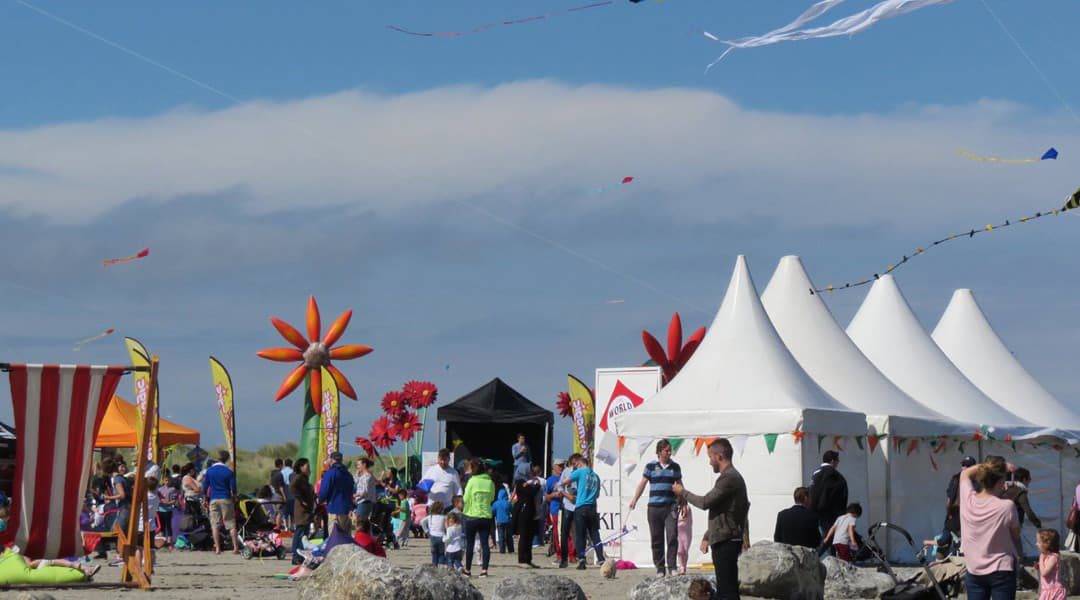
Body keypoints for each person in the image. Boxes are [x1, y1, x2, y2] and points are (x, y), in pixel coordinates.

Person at [673, 438, 750, 600]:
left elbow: (705, 502)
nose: (710, 462)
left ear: (719, 456)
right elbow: (723, 512)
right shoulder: (731, 477)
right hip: (725, 538)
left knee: (727, 592)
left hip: (726, 541)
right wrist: (708, 536)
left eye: (710, 457)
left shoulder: (729, 478)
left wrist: (683, 492)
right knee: (726, 589)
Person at [959, 456, 1019, 600]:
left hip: (974, 569)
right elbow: (1016, 534)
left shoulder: (968, 500)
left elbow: (965, 473)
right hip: (1001, 568)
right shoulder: (1007, 506)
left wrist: (991, 466)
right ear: (1000, 482)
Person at [628, 439, 683, 576]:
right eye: (666, 450)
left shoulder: (675, 467)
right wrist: (635, 499)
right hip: (654, 508)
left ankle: (672, 567)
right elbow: (643, 483)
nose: (669, 453)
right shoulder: (651, 466)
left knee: (672, 536)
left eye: (670, 450)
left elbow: (680, 485)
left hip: (670, 507)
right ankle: (660, 567)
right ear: (659, 452)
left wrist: (684, 503)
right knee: (656, 538)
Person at [565, 454, 604, 570]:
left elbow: (567, 480)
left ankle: (582, 560)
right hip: (592, 507)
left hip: (581, 506)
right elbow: (597, 495)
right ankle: (601, 559)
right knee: (595, 534)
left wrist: (560, 484)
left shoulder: (580, 472)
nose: (575, 467)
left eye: (576, 465)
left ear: (580, 464)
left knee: (580, 535)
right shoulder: (596, 476)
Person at [462, 457, 496, 577]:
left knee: (470, 544)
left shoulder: (472, 481)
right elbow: (492, 498)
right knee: (485, 544)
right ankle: (484, 570)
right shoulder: (490, 481)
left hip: (472, 515)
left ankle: (468, 570)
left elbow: (465, 498)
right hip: (486, 515)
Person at [202, 451, 241, 554]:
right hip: (225, 498)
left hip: (213, 498)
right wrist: (235, 497)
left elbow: (205, 486)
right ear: (226, 459)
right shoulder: (229, 471)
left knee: (215, 524)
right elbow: (233, 487)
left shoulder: (209, 471)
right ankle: (235, 547)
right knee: (230, 523)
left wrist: (205, 498)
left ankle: (218, 548)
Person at [809, 450, 848, 542]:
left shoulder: (816, 473)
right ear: (832, 461)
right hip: (830, 513)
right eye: (837, 460)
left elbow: (811, 491)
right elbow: (841, 496)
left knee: (820, 537)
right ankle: (817, 554)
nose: (838, 463)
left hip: (814, 511)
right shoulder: (836, 475)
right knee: (830, 538)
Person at [318, 451, 356, 535]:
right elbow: (352, 490)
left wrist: (320, 499)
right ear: (341, 460)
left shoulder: (330, 473)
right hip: (347, 510)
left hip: (334, 509)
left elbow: (324, 490)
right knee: (346, 538)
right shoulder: (348, 474)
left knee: (335, 538)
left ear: (331, 460)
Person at [556, 452, 582, 568]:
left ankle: (580, 557)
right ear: (572, 462)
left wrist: (578, 497)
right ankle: (563, 558)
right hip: (567, 505)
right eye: (576, 462)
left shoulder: (583, 472)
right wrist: (567, 496)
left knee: (579, 533)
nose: (578, 464)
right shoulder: (566, 472)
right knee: (564, 533)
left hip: (579, 505)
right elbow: (560, 486)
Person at [289, 458, 315, 565]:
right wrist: (301, 500)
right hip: (301, 510)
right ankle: (295, 556)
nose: (309, 468)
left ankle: (300, 555)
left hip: (306, 509)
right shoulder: (299, 477)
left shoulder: (304, 478)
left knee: (304, 533)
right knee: (299, 533)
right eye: (306, 466)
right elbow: (292, 487)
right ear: (301, 467)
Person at [945, 456, 977, 540]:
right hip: (955, 512)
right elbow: (949, 497)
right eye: (963, 464)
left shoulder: (978, 480)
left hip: (970, 514)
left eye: (967, 465)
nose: (964, 467)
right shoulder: (955, 478)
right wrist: (949, 512)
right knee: (945, 538)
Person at [512, 477, 541, 568]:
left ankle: (528, 559)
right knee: (524, 536)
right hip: (523, 513)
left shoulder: (529, 483)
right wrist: (537, 486)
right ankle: (522, 560)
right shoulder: (520, 482)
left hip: (530, 513)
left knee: (529, 537)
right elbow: (530, 492)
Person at [1036, 528, 1066, 600]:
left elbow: (1044, 573)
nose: (1036, 544)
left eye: (1039, 542)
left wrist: (1041, 558)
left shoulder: (1053, 557)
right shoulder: (1046, 556)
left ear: (1047, 544)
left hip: (1054, 591)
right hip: (1046, 590)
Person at [544, 459, 565, 557]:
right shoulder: (550, 480)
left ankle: (569, 554)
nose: (561, 467)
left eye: (563, 465)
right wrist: (554, 495)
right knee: (557, 533)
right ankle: (559, 554)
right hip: (555, 510)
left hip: (567, 509)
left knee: (568, 532)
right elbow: (545, 497)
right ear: (554, 467)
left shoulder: (567, 478)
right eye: (559, 466)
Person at [353, 457, 377, 522]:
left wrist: (354, 495)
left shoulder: (367, 476)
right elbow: (354, 483)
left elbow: (364, 492)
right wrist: (357, 475)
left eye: (358, 465)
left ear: (364, 465)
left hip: (365, 502)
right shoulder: (362, 476)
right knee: (360, 522)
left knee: (360, 523)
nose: (357, 467)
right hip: (360, 502)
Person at [424, 500, 447, 565]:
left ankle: (434, 566)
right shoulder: (444, 517)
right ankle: (440, 566)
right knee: (441, 553)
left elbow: (422, 522)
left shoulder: (430, 517)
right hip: (441, 537)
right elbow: (447, 527)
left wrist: (426, 531)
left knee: (434, 553)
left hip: (433, 536)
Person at [492, 486, 514, 553]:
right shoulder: (508, 503)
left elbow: (492, 511)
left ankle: (502, 550)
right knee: (509, 536)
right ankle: (510, 549)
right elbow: (512, 510)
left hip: (499, 521)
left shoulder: (496, 503)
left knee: (501, 536)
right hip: (508, 521)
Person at [676, 495, 692, 575]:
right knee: (679, 551)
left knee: (685, 550)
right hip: (678, 532)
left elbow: (685, 518)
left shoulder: (687, 508)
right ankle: (681, 566)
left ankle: (684, 566)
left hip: (686, 532)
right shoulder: (674, 508)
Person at [281, 458, 294, 528]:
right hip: (292, 491)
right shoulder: (293, 471)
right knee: (292, 511)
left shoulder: (282, 472)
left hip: (284, 491)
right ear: (291, 464)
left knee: (285, 511)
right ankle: (292, 526)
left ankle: (286, 527)